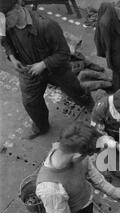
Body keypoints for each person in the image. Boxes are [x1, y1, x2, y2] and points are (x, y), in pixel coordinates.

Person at [0, 1, 94, 139]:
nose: (4, 26)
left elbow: (64, 54)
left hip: (56, 69)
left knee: (74, 90)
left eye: (4, 21)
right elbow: (4, 41)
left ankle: (88, 104)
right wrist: (12, 57)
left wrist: (43, 64)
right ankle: (41, 127)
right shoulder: (7, 25)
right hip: (29, 70)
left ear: (17, 9)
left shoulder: (47, 26)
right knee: (30, 103)